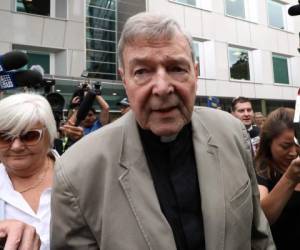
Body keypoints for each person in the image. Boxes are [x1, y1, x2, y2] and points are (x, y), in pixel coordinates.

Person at [51, 12, 274, 249]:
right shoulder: (77, 171)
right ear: (124, 79)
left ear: (195, 74)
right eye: (142, 72)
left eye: (176, 68)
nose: (162, 87)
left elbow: (258, 237)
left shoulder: (231, 133)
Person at [0, 93, 59, 250]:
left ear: (49, 135)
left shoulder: (79, 177)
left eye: (29, 136)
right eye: (4, 137)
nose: (16, 146)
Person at [255, 107, 300, 249]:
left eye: (297, 145)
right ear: (269, 143)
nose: (293, 152)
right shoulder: (260, 172)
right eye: (285, 146)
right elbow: (262, 218)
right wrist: (290, 178)